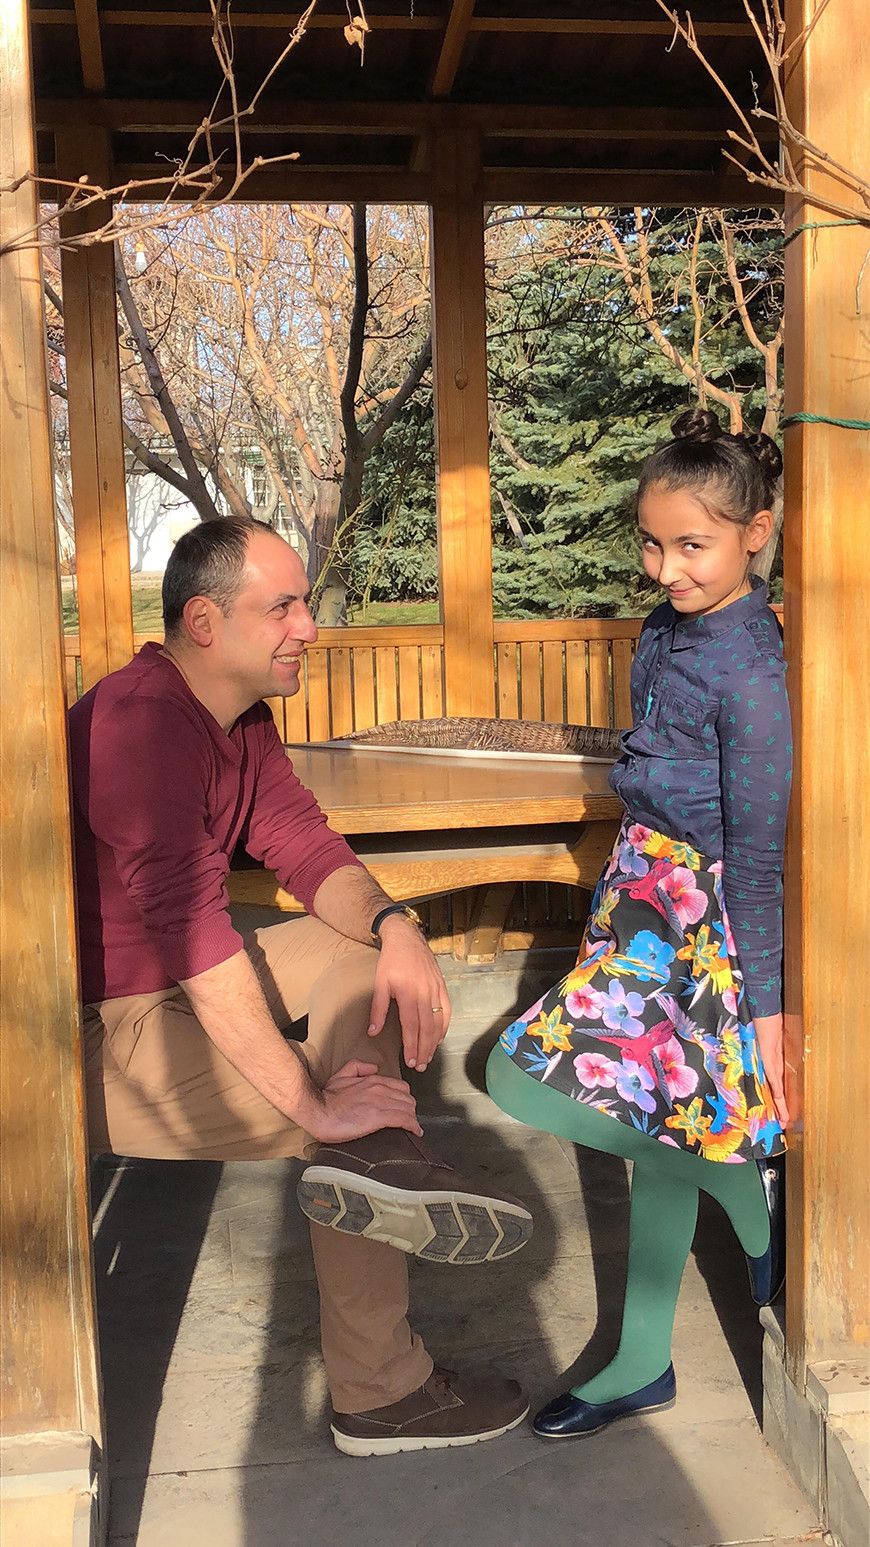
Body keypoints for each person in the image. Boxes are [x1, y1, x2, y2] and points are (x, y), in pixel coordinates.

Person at [70, 516, 533, 1457]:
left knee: (362, 963)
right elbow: (196, 936)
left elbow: (305, 844)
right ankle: (383, 1382)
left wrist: (397, 926)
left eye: (304, 604)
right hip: (87, 1029)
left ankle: (379, 1164)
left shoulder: (239, 719)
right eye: (282, 606)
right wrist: (315, 1103)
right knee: (347, 1123)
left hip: (169, 982)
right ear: (205, 622)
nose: (309, 626)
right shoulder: (141, 725)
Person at [486, 407, 791, 1439]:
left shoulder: (753, 669)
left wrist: (769, 1009)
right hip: (639, 894)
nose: (667, 569)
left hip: (704, 925)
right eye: (653, 544)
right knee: (658, 1129)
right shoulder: (663, 633)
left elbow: (757, 852)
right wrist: (620, 899)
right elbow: (650, 770)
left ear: (755, 532)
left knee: (515, 1074)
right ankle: (646, 1355)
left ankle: (743, 1196)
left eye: (692, 545)